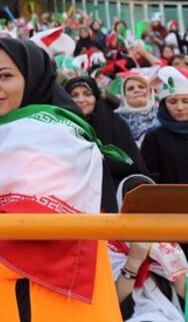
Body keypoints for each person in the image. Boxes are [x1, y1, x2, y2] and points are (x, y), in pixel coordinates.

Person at [0, 38, 123, 321]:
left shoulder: (55, 134)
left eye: (5, 75)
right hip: (8, 285)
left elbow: (37, 215)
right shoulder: (5, 131)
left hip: (48, 291)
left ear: (33, 78)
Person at [109, 174, 187, 321]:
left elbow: (185, 298)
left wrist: (176, 270)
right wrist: (134, 260)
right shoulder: (111, 245)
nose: (143, 214)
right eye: (136, 208)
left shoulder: (169, 245)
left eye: (150, 207)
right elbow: (112, 301)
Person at [64, 76, 147, 212]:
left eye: (87, 94)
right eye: (74, 95)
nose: (81, 100)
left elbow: (133, 166)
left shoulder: (115, 125)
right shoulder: (59, 126)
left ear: (96, 97)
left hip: (113, 199)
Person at [141, 66, 188, 186]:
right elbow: (150, 179)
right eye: (172, 102)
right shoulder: (154, 138)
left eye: (186, 101)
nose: (180, 107)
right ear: (163, 105)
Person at [115, 71, 161, 146]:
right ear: (124, 96)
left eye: (141, 87)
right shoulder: (116, 119)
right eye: (130, 89)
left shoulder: (163, 113)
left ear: (150, 92)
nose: (136, 90)